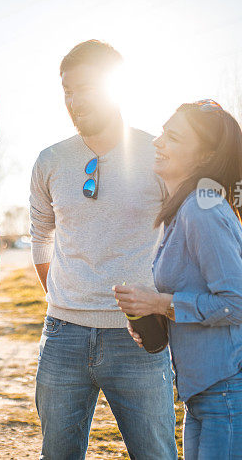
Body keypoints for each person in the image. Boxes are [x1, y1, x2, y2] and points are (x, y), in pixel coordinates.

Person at [29, 40, 177, 459]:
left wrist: (165, 306)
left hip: (137, 335)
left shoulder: (157, 155)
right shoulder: (50, 161)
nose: (74, 101)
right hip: (62, 336)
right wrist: (61, 298)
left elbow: (185, 239)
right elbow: (40, 236)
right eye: (67, 91)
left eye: (86, 89)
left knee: (155, 454)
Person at [114, 99, 242, 459]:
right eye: (162, 132)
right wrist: (157, 318)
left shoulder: (202, 207)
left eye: (172, 137)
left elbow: (238, 304)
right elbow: (204, 300)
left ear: (204, 157)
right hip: (206, 397)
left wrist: (160, 303)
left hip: (233, 397)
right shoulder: (184, 210)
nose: (158, 142)